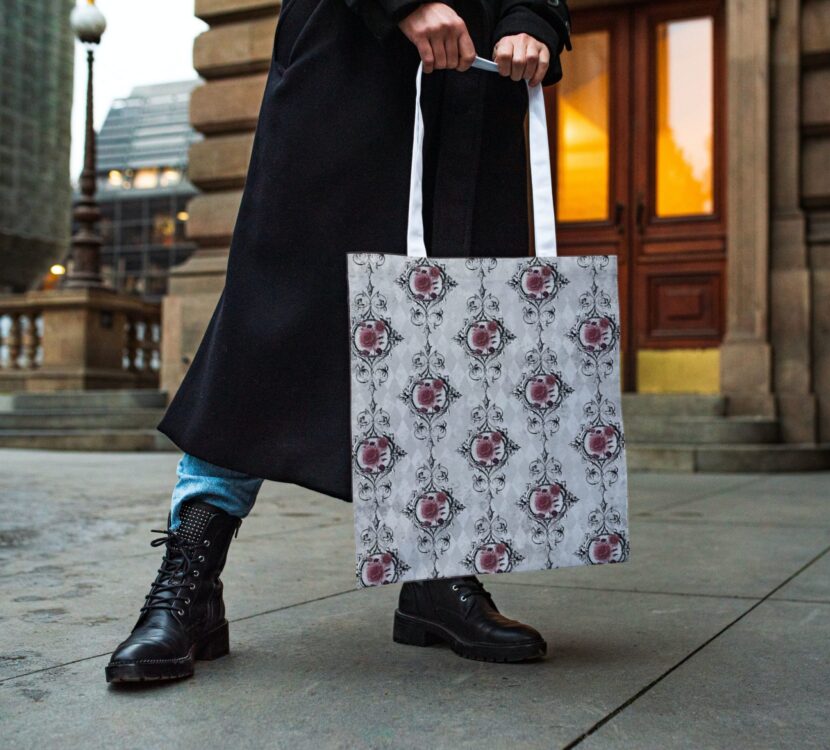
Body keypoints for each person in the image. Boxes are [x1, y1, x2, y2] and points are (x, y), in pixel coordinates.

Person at [105, 0, 572, 683]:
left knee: (457, 334)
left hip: (475, 83)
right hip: (349, 57)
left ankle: (440, 577)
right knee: (274, 313)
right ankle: (190, 581)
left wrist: (533, 15)